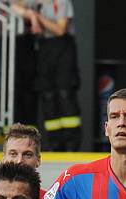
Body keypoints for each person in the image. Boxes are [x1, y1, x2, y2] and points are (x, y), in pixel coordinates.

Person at [27, 0, 82, 150]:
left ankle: (72, 142)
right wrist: (31, 14)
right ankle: (55, 142)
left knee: (65, 95)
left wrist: (38, 17)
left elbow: (60, 29)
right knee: (48, 97)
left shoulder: (62, 2)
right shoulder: (35, 3)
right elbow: (15, 6)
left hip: (63, 49)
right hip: (44, 50)